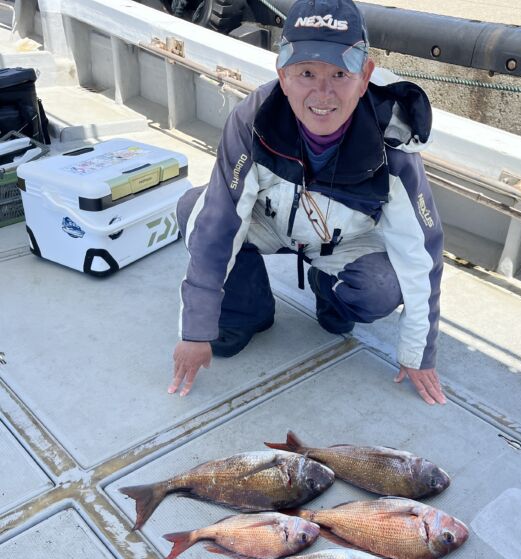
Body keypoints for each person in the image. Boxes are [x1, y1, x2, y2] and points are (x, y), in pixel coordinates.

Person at [168, 0, 446, 405]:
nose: (323, 92)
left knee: (381, 288)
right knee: (194, 207)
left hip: (343, 241)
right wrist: (196, 330)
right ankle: (248, 311)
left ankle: (328, 290)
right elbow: (219, 224)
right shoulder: (252, 120)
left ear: (365, 76)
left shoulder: (394, 143)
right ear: (282, 75)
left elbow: (421, 251)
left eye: (340, 73)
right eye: (306, 73)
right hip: (272, 221)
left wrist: (419, 353)